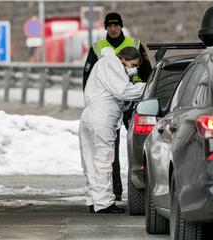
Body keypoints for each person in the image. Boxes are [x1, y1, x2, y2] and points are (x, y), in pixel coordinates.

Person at [82, 12, 152, 201]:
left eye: (116, 25)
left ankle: (100, 198)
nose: (113, 28)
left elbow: (148, 72)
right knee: (106, 155)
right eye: (110, 25)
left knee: (122, 150)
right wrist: (148, 89)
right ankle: (112, 194)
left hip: (127, 106)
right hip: (108, 108)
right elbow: (120, 89)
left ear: (121, 26)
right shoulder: (100, 51)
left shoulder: (134, 44)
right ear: (106, 27)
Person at [79, 47, 146, 213]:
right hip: (102, 116)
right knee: (103, 158)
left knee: (90, 160)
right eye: (133, 64)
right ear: (123, 58)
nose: (133, 69)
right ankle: (104, 203)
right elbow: (123, 91)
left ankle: (93, 200)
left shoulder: (104, 64)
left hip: (91, 115)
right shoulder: (112, 64)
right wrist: (148, 87)